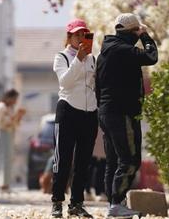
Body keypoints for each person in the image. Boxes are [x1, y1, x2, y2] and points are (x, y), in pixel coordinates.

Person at [96, 13, 158, 217]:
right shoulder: (123, 50)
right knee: (130, 160)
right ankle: (116, 204)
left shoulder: (106, 52)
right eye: (136, 31)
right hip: (122, 113)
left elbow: (97, 86)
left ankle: (114, 204)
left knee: (113, 161)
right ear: (131, 32)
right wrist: (146, 36)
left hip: (106, 112)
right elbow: (151, 57)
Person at [50, 19, 98, 219]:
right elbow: (66, 82)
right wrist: (78, 59)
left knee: (83, 162)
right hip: (68, 110)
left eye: (84, 34)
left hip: (90, 113)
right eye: (77, 34)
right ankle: (57, 202)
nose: (81, 38)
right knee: (63, 160)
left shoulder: (92, 59)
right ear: (69, 37)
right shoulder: (62, 57)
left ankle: (76, 203)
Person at [0, 89, 25, 193]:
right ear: (9, 98)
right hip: (2, 133)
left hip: (10, 133)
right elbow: (3, 122)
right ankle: (2, 185)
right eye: (14, 99)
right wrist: (16, 116)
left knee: (9, 158)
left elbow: (14, 123)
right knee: (3, 158)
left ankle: (6, 184)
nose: (15, 101)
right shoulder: (1, 107)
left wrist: (19, 116)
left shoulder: (10, 108)